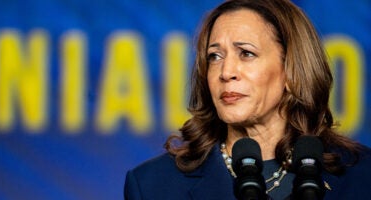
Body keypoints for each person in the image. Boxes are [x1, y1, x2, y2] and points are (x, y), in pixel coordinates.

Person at [124, 0, 371, 199]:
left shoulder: (362, 176)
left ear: (292, 70)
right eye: (215, 56)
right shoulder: (153, 186)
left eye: (246, 53)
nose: (226, 72)